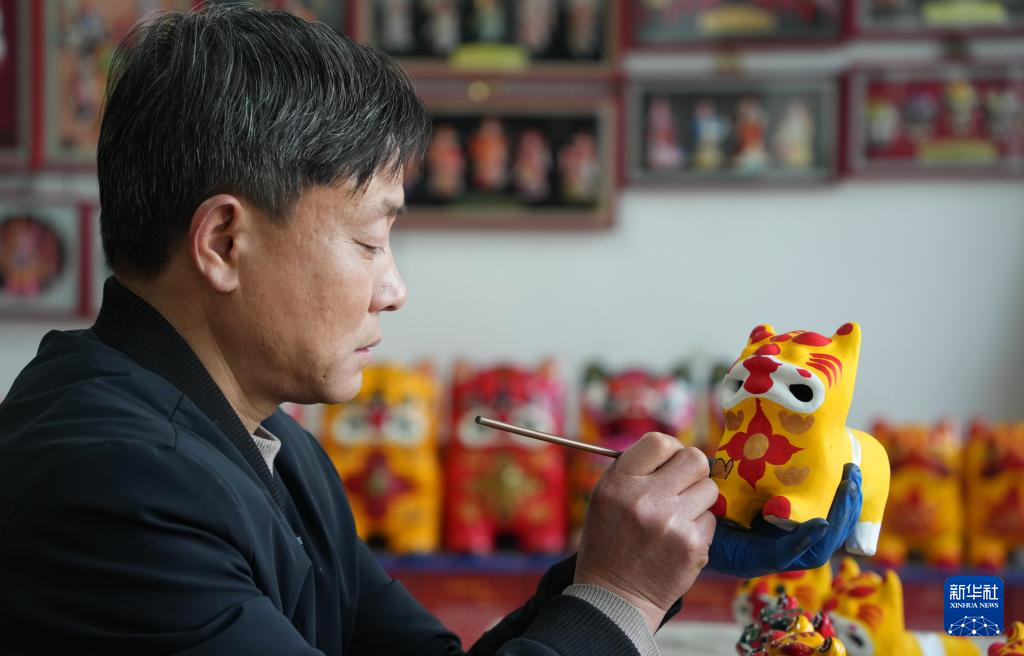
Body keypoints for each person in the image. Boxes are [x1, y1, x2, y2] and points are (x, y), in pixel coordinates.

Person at [0, 6, 861, 655]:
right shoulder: (109, 483)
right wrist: (619, 597)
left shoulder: (278, 450)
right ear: (225, 243)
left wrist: (624, 562)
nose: (395, 290)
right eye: (369, 240)